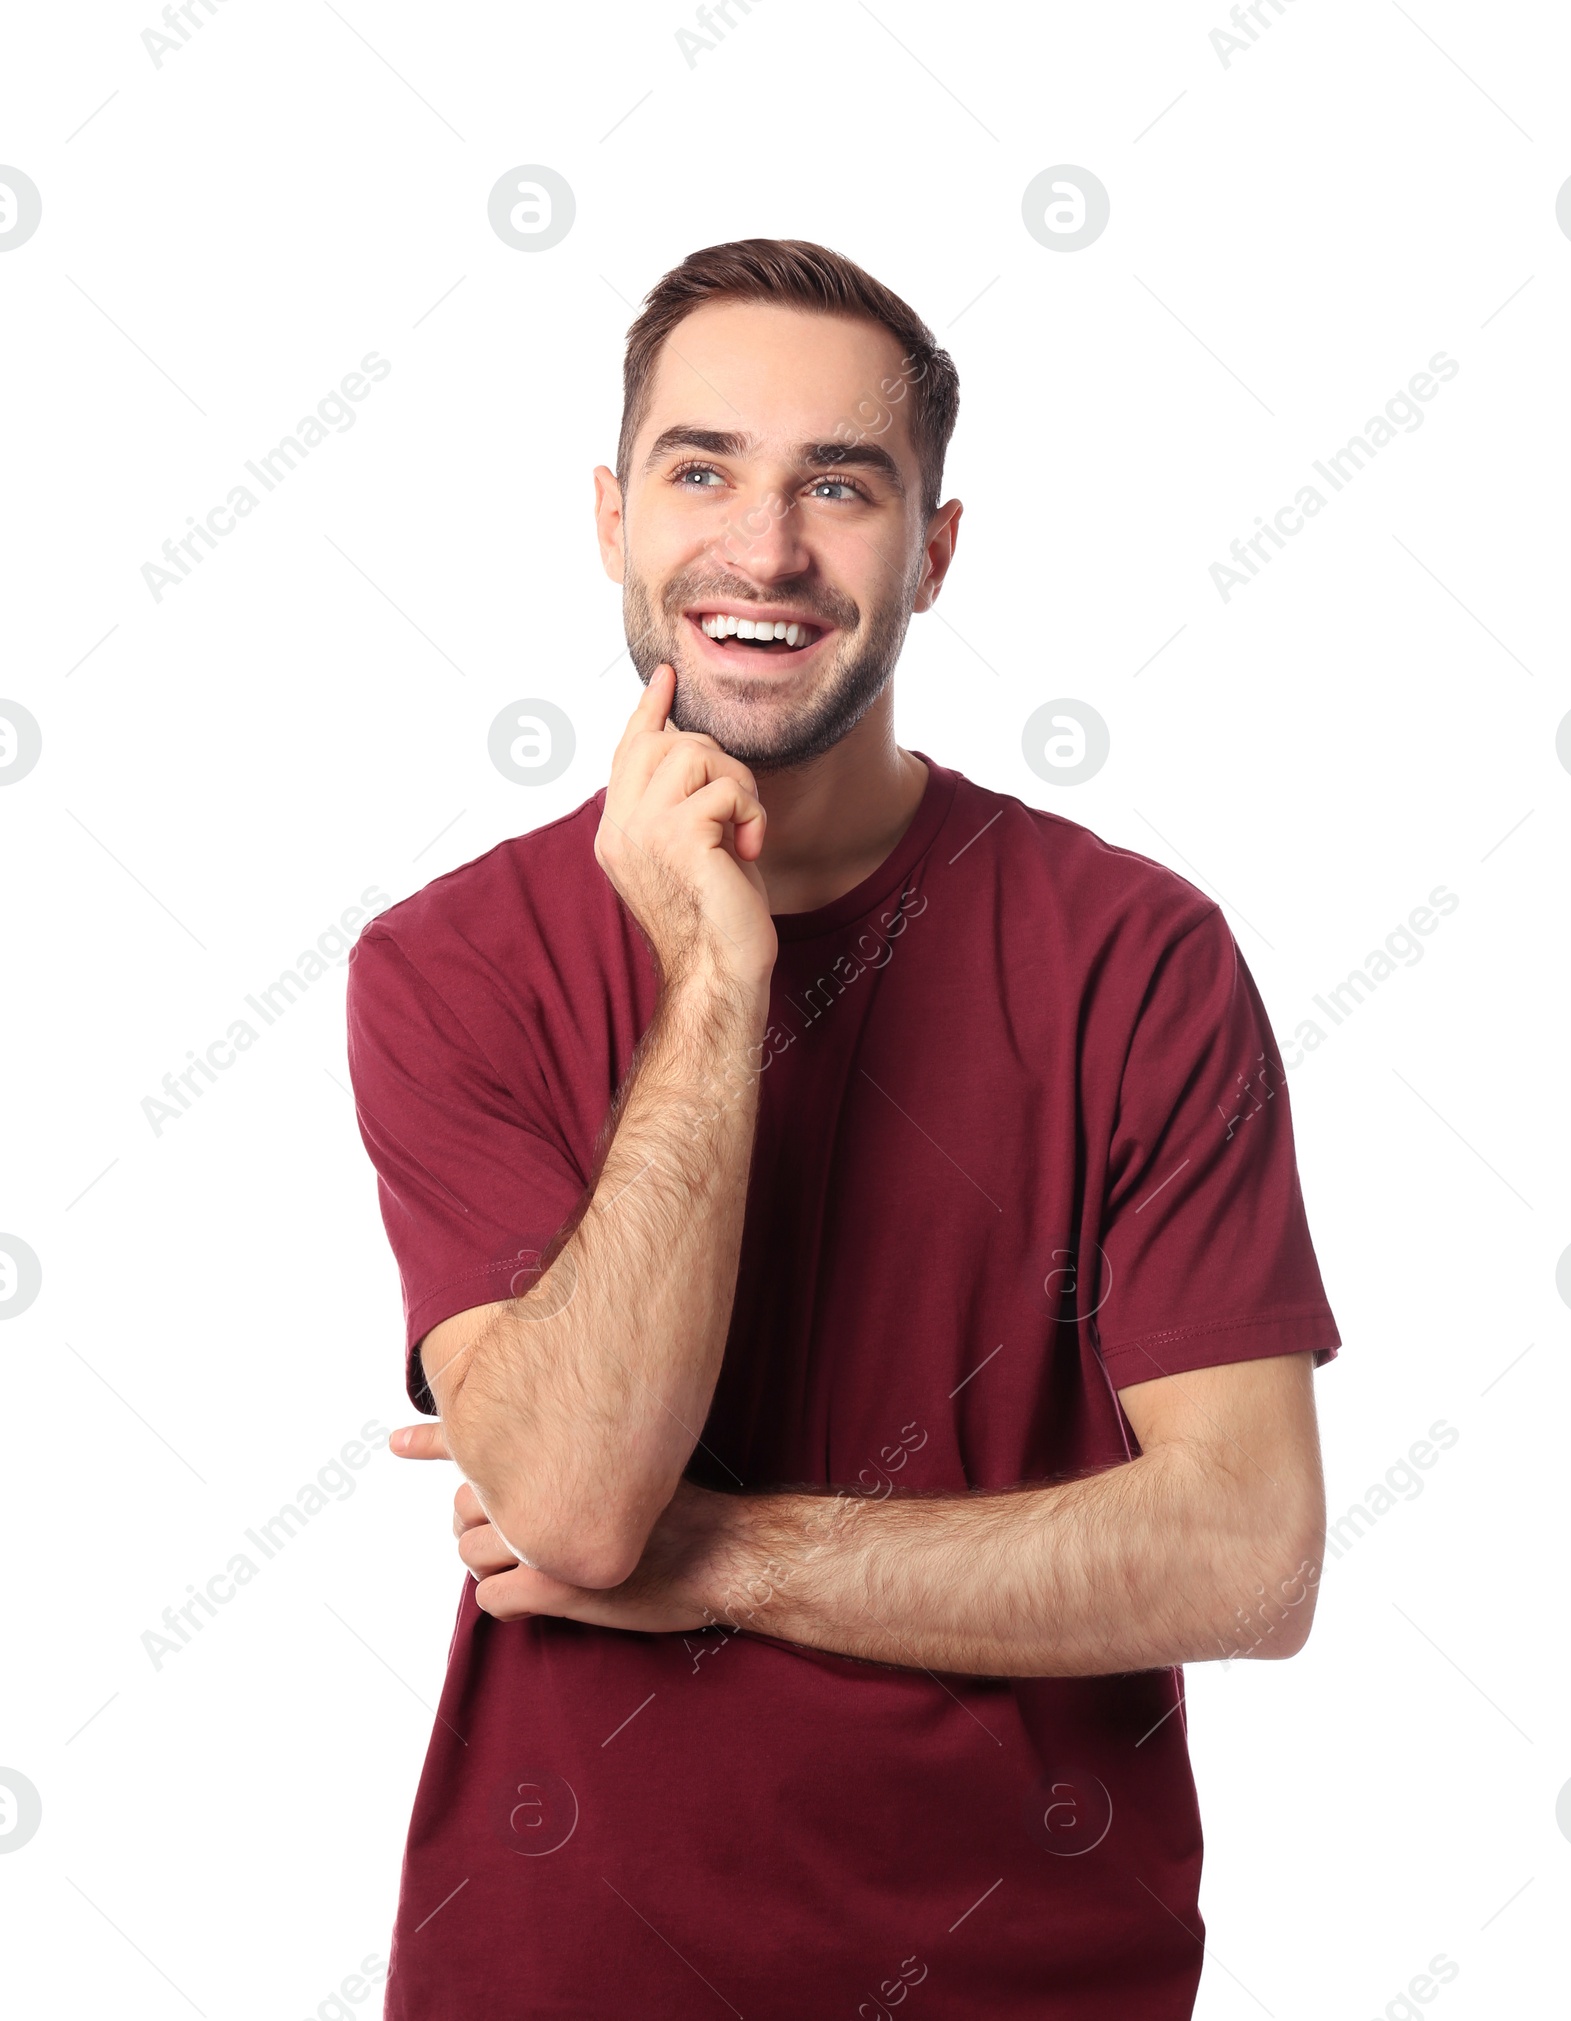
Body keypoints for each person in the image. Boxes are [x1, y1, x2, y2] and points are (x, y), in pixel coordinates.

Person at [345, 237, 1339, 2020]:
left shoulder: (1136, 957)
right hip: (556, 1977)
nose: (766, 546)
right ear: (611, 517)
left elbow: (1250, 1550)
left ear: (936, 552)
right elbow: (573, 1497)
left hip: (1034, 1982)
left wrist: (712, 1551)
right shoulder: (451, 965)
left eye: (843, 485)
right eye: (703, 468)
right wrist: (718, 985)